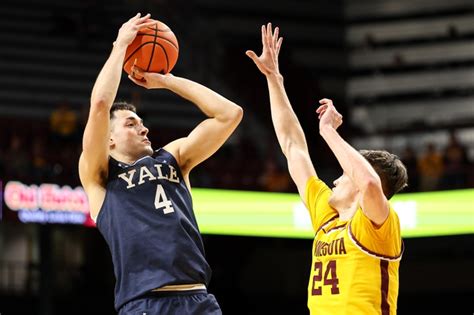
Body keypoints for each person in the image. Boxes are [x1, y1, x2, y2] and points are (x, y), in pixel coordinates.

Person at [78, 14, 243, 315]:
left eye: (142, 122)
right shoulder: (100, 176)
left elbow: (229, 114)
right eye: (131, 124)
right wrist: (120, 47)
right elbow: (101, 105)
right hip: (144, 303)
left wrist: (167, 81)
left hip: (198, 298)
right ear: (109, 140)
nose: (144, 128)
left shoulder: (174, 157)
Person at [246, 23, 408, 314]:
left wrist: (329, 132)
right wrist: (274, 78)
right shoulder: (327, 216)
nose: (334, 180)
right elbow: (292, 145)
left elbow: (370, 184)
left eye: (345, 174)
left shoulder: (379, 226)